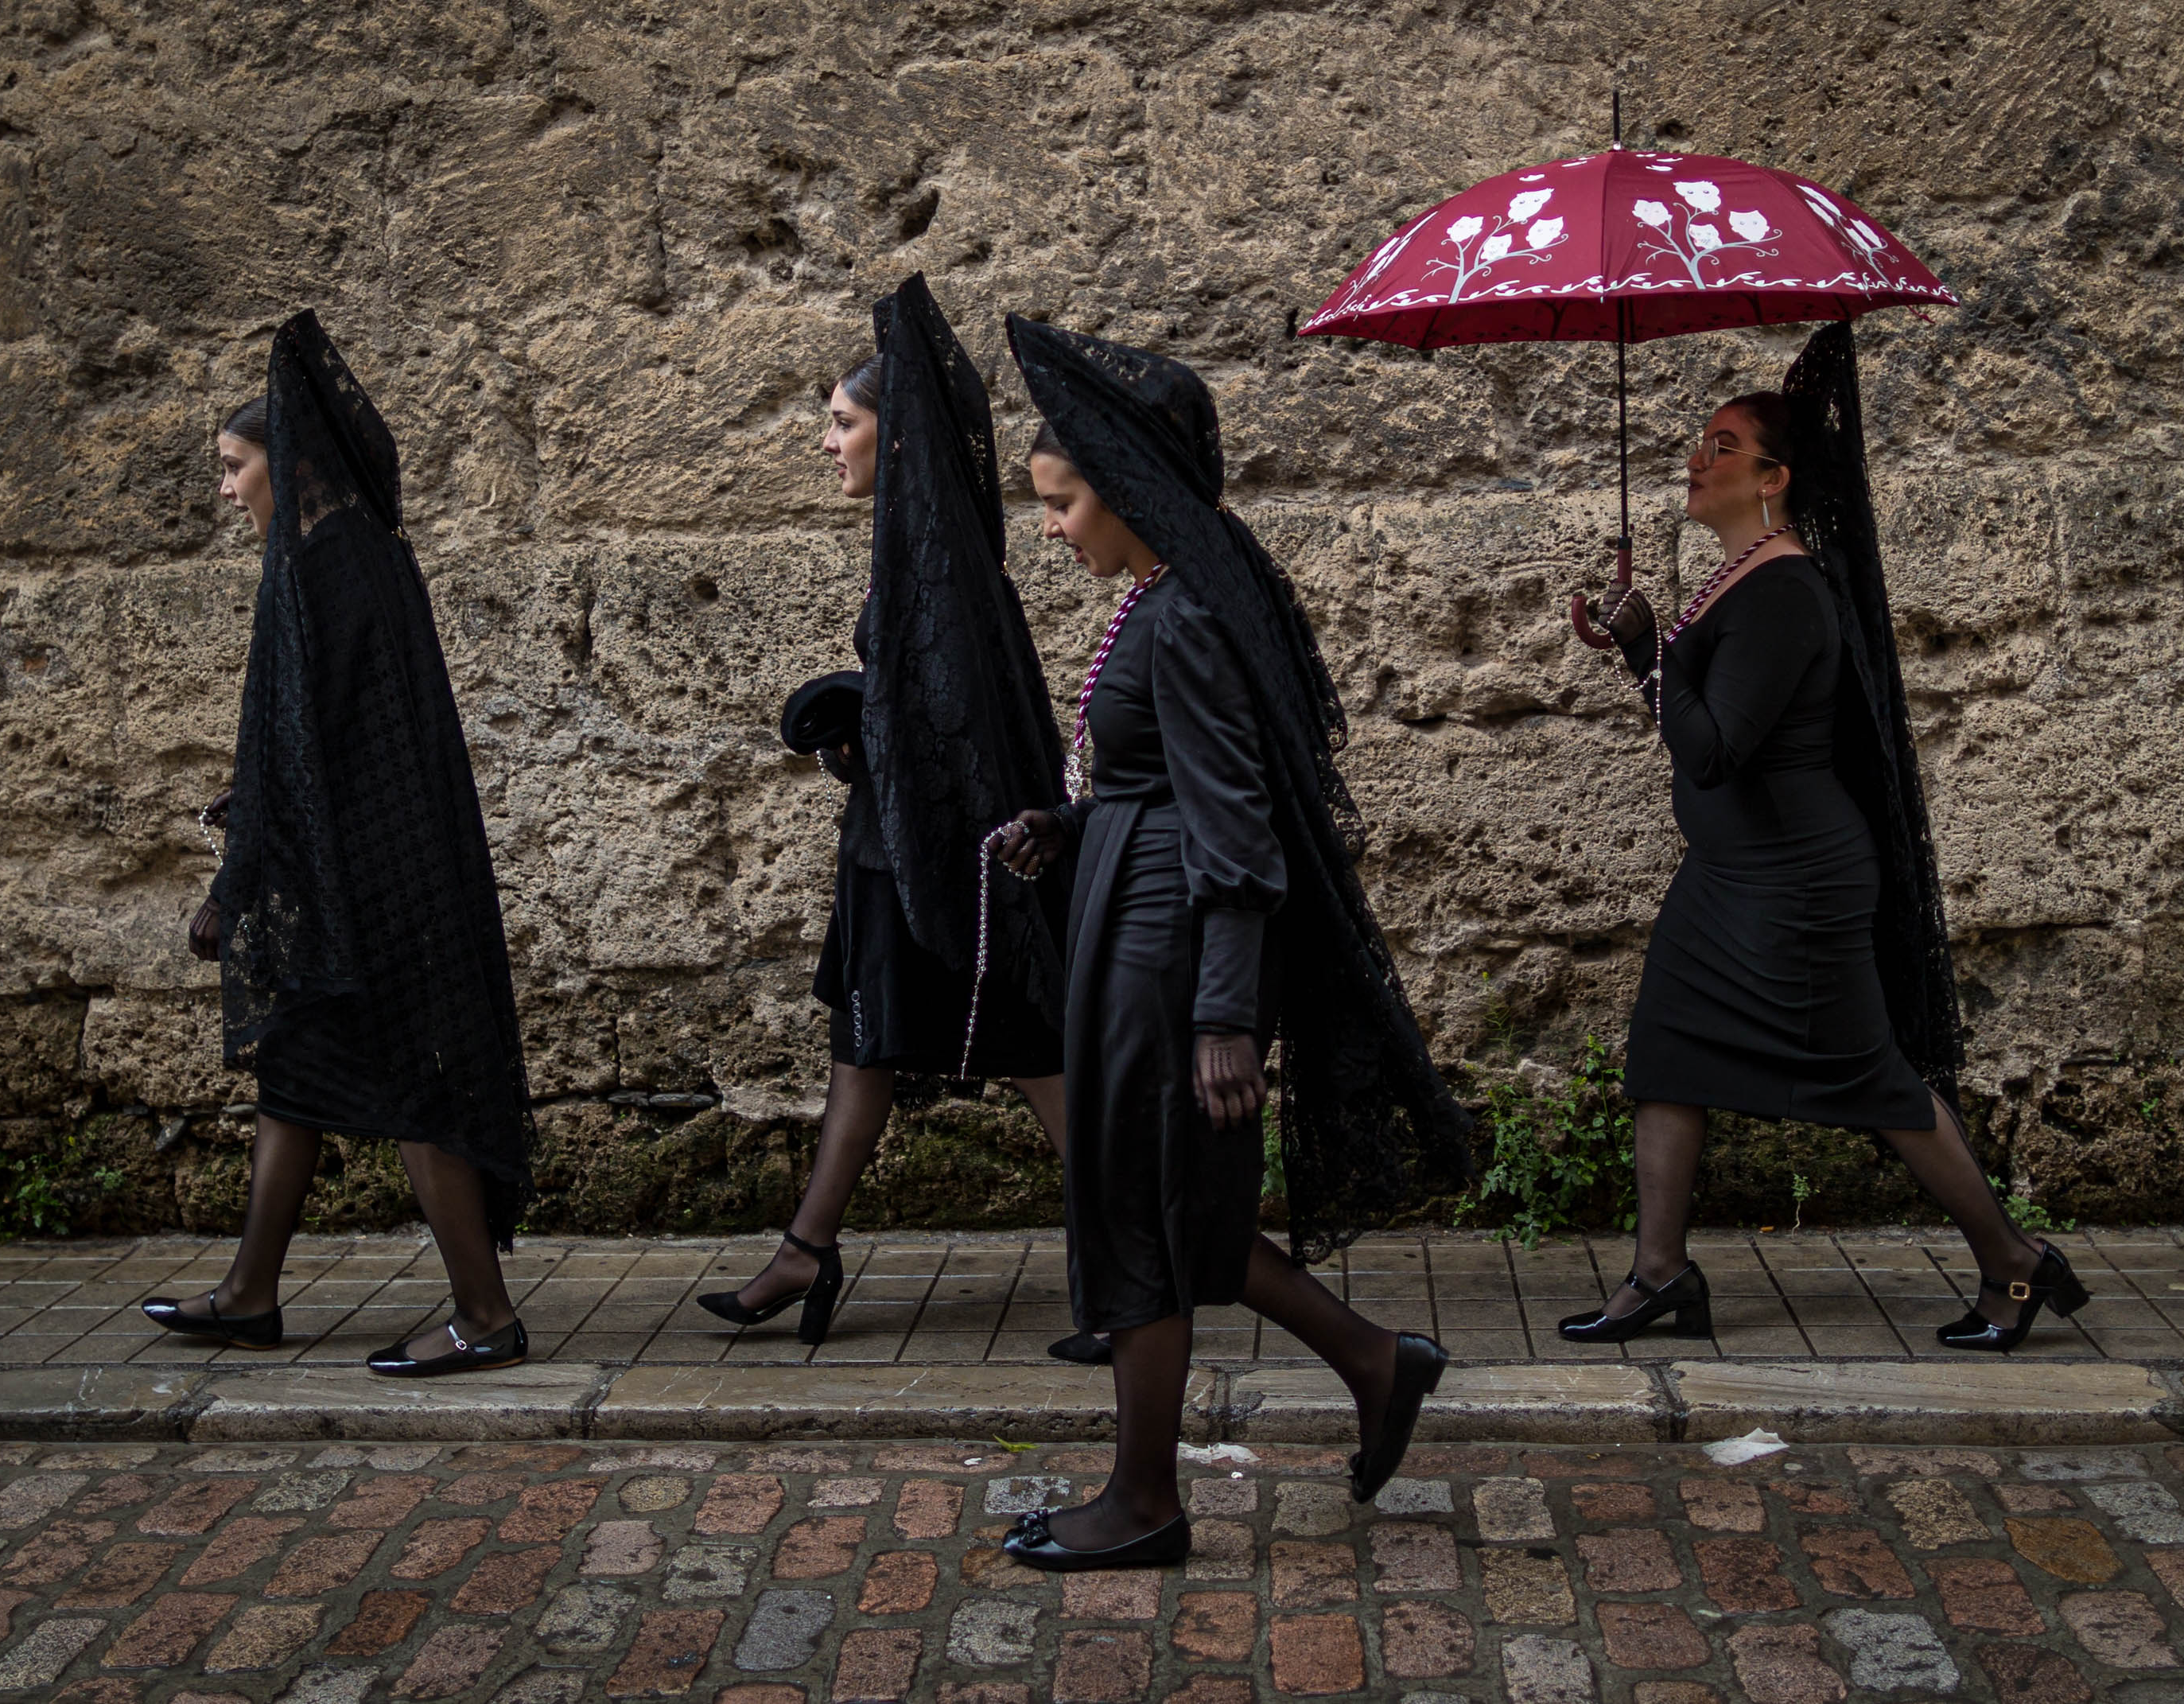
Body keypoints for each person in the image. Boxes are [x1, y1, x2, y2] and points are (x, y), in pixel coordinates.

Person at [988, 319, 1475, 1573]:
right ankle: (1377, 1360)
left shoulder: (1187, 618)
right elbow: (1153, 783)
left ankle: (1145, 1498)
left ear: (1130, 485)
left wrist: (1223, 1015)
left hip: (1164, 958)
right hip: (1132, 916)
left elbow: (1238, 830)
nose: (1053, 529)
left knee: (1145, 1217)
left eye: (1064, 502)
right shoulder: (1160, 598)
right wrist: (1067, 821)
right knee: (1189, 1218)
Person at [1566, 322, 2085, 1354]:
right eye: (1699, 442)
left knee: (1877, 1082)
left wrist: (1643, 653)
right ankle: (1660, 1274)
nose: (1696, 458)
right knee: (1667, 1052)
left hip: (1794, 885)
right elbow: (1702, 724)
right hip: (1732, 876)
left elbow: (1714, 748)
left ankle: (2015, 1264)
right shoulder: (1744, 579)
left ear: (1776, 479)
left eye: (1722, 445)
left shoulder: (1786, 592)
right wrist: (1645, 653)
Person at [697, 277, 1090, 1357]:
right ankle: (807, 1248)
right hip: (896, 857)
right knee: (867, 1048)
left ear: (895, 431)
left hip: (936, 867)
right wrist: (859, 726)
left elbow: (956, 721)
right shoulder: (917, 552)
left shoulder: (938, 565)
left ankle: (1136, 1256)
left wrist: (862, 716)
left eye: (842, 421)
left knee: (1034, 1050)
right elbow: (928, 717)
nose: (828, 442)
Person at [146, 309, 538, 1377]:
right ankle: (249, 1293)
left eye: (236, 467)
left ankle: (486, 1314)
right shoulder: (352, 547)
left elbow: (302, 737)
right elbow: (319, 734)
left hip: (378, 880)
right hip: (364, 864)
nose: (227, 491)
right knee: (299, 1068)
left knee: (417, 1080)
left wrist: (237, 883)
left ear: (288, 459)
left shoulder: (327, 565)